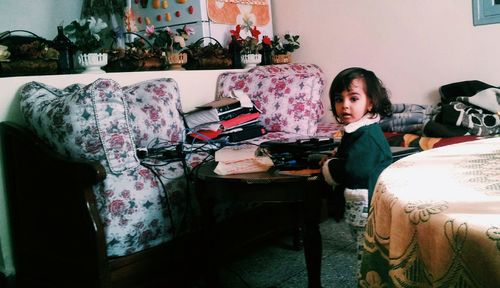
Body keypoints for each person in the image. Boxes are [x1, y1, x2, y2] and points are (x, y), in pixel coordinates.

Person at [321, 67, 393, 277]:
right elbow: (351, 154)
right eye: (338, 99)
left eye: (353, 98)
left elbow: (355, 169)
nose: (345, 106)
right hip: (361, 203)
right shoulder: (358, 130)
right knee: (361, 242)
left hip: (366, 205)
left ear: (370, 102)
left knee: (366, 251)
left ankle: (369, 279)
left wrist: (330, 166)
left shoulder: (367, 135)